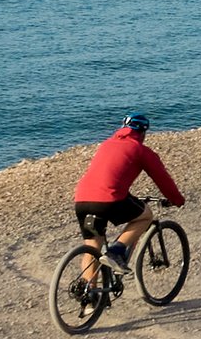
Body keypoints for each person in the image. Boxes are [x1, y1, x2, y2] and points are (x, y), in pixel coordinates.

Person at [73, 113, 186, 276]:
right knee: (146, 216)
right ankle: (116, 251)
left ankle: (90, 295)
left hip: (82, 199)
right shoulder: (140, 150)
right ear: (142, 132)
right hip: (109, 199)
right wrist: (177, 199)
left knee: (92, 248)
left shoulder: (106, 144)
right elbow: (163, 180)